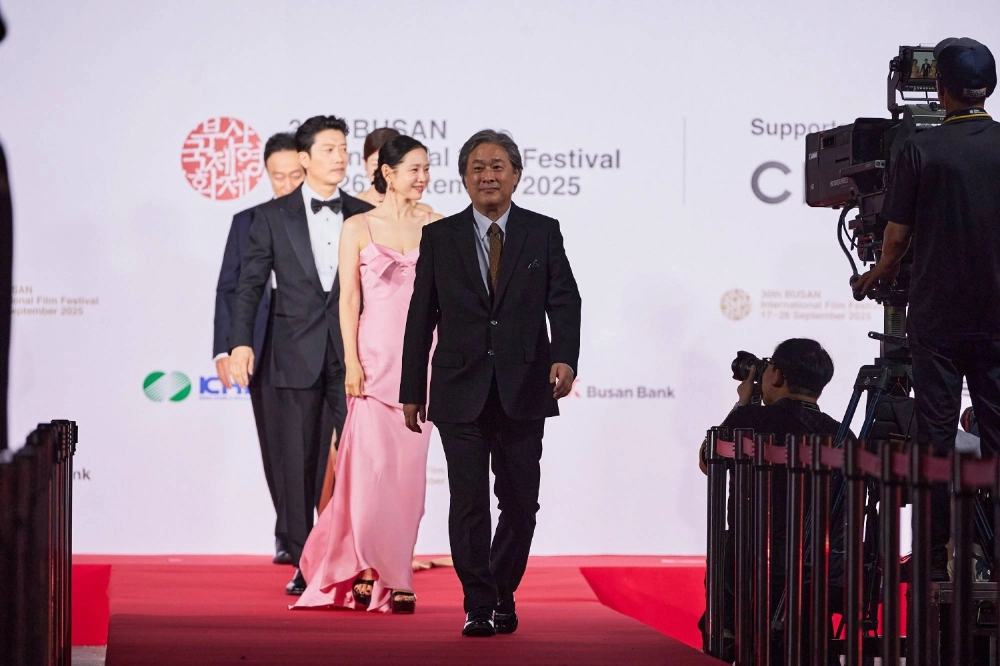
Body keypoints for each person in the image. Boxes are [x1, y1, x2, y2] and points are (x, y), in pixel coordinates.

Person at [399, 129, 582, 637]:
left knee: (521, 503)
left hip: (525, 388)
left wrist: (564, 358)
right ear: (464, 178)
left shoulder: (543, 231)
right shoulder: (440, 237)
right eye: (477, 167)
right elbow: (421, 317)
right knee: (469, 502)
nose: (488, 175)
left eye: (498, 166)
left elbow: (565, 301)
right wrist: (412, 388)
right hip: (459, 389)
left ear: (517, 174)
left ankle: (503, 588)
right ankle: (477, 602)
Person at [853, 37, 1000, 580]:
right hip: (997, 319)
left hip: (938, 319)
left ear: (941, 89)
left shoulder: (921, 149)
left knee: (934, 437)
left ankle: (935, 556)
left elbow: (894, 239)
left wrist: (876, 274)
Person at [293, 135, 443, 614]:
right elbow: (349, 301)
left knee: (407, 479)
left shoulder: (439, 226)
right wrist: (351, 364)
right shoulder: (358, 226)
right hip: (372, 363)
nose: (422, 178)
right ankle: (360, 565)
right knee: (367, 474)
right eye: (413, 169)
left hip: (421, 367)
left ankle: (398, 573)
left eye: (426, 169)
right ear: (388, 173)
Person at [229, 115, 374, 595]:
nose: (340, 157)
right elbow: (247, 286)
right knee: (296, 464)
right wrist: (240, 341)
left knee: (359, 458)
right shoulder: (271, 217)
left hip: (352, 356)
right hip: (290, 354)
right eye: (329, 149)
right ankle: (302, 560)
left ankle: (358, 557)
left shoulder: (361, 213)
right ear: (306, 158)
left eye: (343, 148)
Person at [698, 339, 849, 665]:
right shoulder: (839, 434)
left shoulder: (749, 421)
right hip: (816, 572)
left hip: (746, 567)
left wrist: (743, 403)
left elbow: (707, 460)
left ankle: (725, 636)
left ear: (777, 375)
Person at [214, 132, 304, 564]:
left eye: (294, 175)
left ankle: (320, 532)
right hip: (263, 348)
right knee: (275, 444)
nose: (286, 184)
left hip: (316, 348)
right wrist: (228, 347)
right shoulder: (248, 221)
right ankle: (287, 531)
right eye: (278, 176)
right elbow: (229, 288)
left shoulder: (332, 221)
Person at [357, 127, 434, 214]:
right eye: (375, 164)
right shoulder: (352, 207)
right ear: (365, 163)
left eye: (426, 169)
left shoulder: (425, 213)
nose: (379, 172)